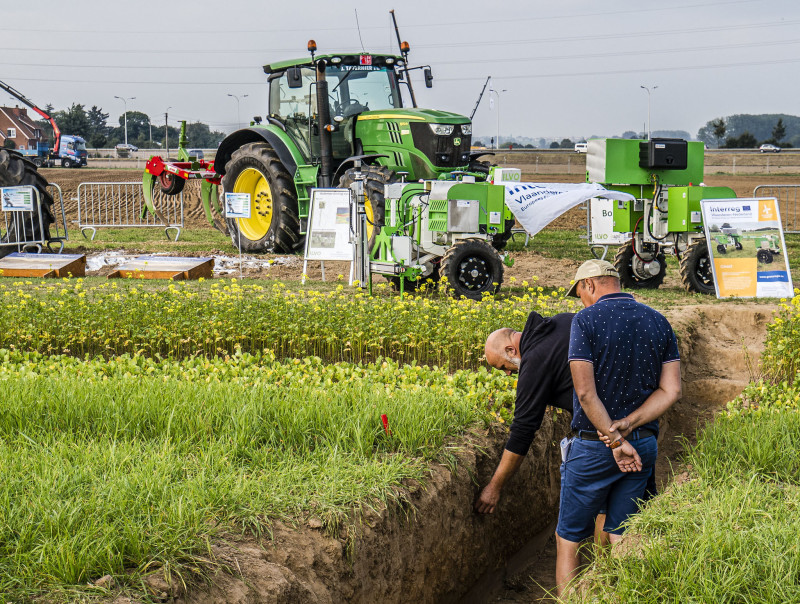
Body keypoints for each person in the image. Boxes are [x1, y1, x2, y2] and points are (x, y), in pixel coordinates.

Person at [555, 259, 682, 597]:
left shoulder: (585, 320)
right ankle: (621, 596)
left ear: (590, 285)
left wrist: (612, 438)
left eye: (579, 292)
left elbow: (584, 392)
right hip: (642, 446)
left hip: (595, 448)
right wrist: (628, 427)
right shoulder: (659, 322)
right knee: (621, 533)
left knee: (568, 536)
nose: (580, 300)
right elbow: (670, 390)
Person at [475, 310, 575, 514]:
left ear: (511, 350)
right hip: (630, 408)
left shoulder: (535, 360)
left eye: (504, 367)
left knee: (576, 510)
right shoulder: (562, 321)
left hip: (604, 433)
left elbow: (523, 429)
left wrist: (494, 487)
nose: (509, 373)